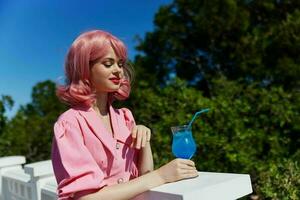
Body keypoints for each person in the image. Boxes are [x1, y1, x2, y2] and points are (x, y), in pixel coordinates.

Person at [51, 30, 198, 200]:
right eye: (108, 63)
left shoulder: (125, 118)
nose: (118, 71)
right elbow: (86, 197)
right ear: (84, 69)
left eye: (120, 64)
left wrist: (145, 142)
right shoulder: (70, 123)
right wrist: (161, 175)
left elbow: (144, 175)